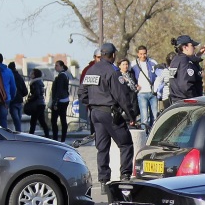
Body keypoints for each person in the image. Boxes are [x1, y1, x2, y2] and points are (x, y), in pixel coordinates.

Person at [79, 42, 139, 192]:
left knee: (102, 148)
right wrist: (131, 115)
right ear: (112, 56)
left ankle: (104, 182)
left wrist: (93, 103)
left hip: (95, 113)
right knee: (125, 144)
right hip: (110, 113)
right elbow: (121, 96)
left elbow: (81, 94)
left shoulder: (91, 70)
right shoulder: (112, 71)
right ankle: (125, 176)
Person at [168, 35, 205, 101]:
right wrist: (194, 98)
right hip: (187, 102)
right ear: (185, 47)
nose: (194, 48)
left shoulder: (176, 59)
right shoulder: (185, 61)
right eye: (192, 46)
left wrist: (198, 55)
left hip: (177, 100)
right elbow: (185, 85)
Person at [130, 45, 159, 129]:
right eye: (141, 54)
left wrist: (156, 86)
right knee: (144, 117)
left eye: (144, 53)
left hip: (152, 92)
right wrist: (135, 85)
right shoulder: (133, 64)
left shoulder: (153, 62)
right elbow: (130, 76)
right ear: (138, 54)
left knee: (155, 116)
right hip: (141, 93)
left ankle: (153, 134)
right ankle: (144, 135)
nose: (143, 56)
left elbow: (159, 75)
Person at [49, 60, 71, 143]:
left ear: (61, 66)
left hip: (60, 101)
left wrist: (55, 102)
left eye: (57, 65)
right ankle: (62, 139)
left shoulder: (61, 76)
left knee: (54, 120)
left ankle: (57, 139)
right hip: (64, 100)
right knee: (62, 119)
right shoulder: (65, 75)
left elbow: (59, 90)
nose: (55, 67)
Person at [0, 53, 16, 128]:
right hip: (6, 97)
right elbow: (13, 86)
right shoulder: (9, 71)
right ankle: (4, 136)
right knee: (3, 119)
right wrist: (12, 97)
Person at [26, 69, 49, 136]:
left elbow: (36, 94)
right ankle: (47, 135)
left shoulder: (35, 83)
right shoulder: (40, 82)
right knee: (42, 121)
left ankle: (30, 136)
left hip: (37, 105)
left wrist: (30, 99)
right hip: (41, 103)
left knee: (33, 121)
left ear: (35, 75)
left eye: (32, 73)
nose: (30, 74)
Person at [8, 62, 27, 132]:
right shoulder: (20, 77)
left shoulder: (9, 77)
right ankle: (19, 132)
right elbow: (25, 91)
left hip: (13, 101)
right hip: (19, 101)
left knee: (16, 119)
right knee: (18, 119)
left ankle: (19, 132)